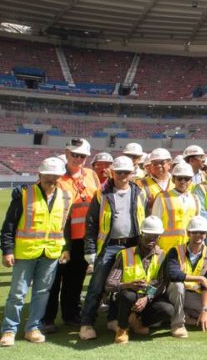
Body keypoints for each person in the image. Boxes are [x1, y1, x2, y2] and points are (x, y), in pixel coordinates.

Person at [1, 157, 73, 347]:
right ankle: (9, 330)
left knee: (42, 293)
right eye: (48, 175)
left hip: (51, 253)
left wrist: (66, 248)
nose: (52, 179)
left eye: (55, 176)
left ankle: (33, 327)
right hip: (25, 253)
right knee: (17, 293)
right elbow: (9, 225)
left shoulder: (66, 197)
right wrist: (7, 250)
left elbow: (65, 226)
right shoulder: (24, 194)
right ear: (39, 175)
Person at [79, 156, 147, 340]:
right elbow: (91, 223)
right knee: (97, 286)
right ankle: (86, 323)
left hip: (131, 245)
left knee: (124, 286)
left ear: (131, 173)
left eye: (126, 172)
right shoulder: (101, 193)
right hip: (109, 246)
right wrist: (90, 249)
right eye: (119, 172)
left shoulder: (139, 192)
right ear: (112, 172)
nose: (123, 176)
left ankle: (113, 319)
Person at [44, 138, 102, 332]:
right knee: (53, 280)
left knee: (75, 280)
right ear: (66, 153)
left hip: (84, 238)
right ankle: (47, 318)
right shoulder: (57, 175)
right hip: (61, 238)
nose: (77, 158)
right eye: (74, 154)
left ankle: (71, 315)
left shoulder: (92, 175)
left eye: (82, 155)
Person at [103, 216, 173, 344]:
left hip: (147, 299)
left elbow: (162, 284)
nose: (152, 240)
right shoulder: (125, 254)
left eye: (155, 236)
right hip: (128, 299)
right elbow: (109, 284)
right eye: (148, 235)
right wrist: (128, 285)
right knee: (127, 296)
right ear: (142, 234)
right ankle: (122, 328)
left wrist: (147, 298)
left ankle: (138, 321)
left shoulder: (163, 256)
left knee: (168, 310)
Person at [162, 216, 207, 338]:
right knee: (178, 286)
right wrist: (200, 279)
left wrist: (204, 310)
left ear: (206, 234)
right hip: (175, 292)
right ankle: (178, 324)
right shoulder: (175, 251)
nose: (198, 235)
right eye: (194, 232)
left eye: (201, 232)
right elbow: (173, 275)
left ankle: (187, 315)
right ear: (188, 233)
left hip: (194, 294)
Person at [150, 162, 201, 252]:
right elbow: (154, 224)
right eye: (180, 178)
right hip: (166, 249)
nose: (183, 181)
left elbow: (197, 226)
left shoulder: (195, 199)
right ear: (173, 179)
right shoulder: (162, 197)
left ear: (191, 180)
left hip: (187, 249)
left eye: (186, 178)